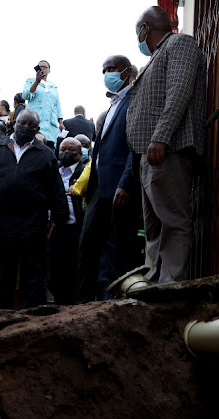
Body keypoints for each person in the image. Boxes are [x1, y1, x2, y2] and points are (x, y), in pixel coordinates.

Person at [127, 6, 206, 284]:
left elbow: (179, 90)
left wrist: (161, 136)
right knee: (155, 226)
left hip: (167, 149)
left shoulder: (179, 42)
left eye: (138, 32)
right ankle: (158, 279)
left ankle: (170, 285)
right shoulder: (158, 54)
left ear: (145, 30)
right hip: (150, 155)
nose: (138, 38)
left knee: (172, 220)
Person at [0, 109, 68, 310]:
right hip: (2, 221)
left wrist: (57, 218)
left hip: (34, 222)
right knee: (4, 273)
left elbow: (57, 192)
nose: (26, 127)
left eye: (31, 125)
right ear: (14, 123)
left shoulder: (46, 155)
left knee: (33, 274)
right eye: (23, 123)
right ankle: (4, 318)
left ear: (37, 129)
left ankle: (30, 322)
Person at [78, 54, 141, 303]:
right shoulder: (112, 105)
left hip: (119, 189)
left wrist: (126, 182)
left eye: (112, 69)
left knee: (117, 251)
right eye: (104, 70)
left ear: (126, 72)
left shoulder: (135, 101)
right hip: (98, 192)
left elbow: (135, 146)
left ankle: (111, 302)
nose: (107, 74)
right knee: (87, 247)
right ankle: (83, 304)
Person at [49, 138, 86, 305]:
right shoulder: (53, 171)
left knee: (74, 267)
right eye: (62, 150)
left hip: (75, 228)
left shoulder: (84, 172)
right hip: (55, 227)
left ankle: (73, 304)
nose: (65, 154)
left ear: (79, 155)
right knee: (55, 268)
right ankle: (58, 302)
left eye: (71, 151)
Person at [22, 61, 63, 150]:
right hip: (36, 122)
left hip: (50, 128)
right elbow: (25, 95)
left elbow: (57, 104)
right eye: (40, 67)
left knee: (49, 152)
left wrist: (60, 122)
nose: (43, 69)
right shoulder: (31, 81)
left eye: (45, 67)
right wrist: (37, 81)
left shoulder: (53, 86)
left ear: (49, 70)